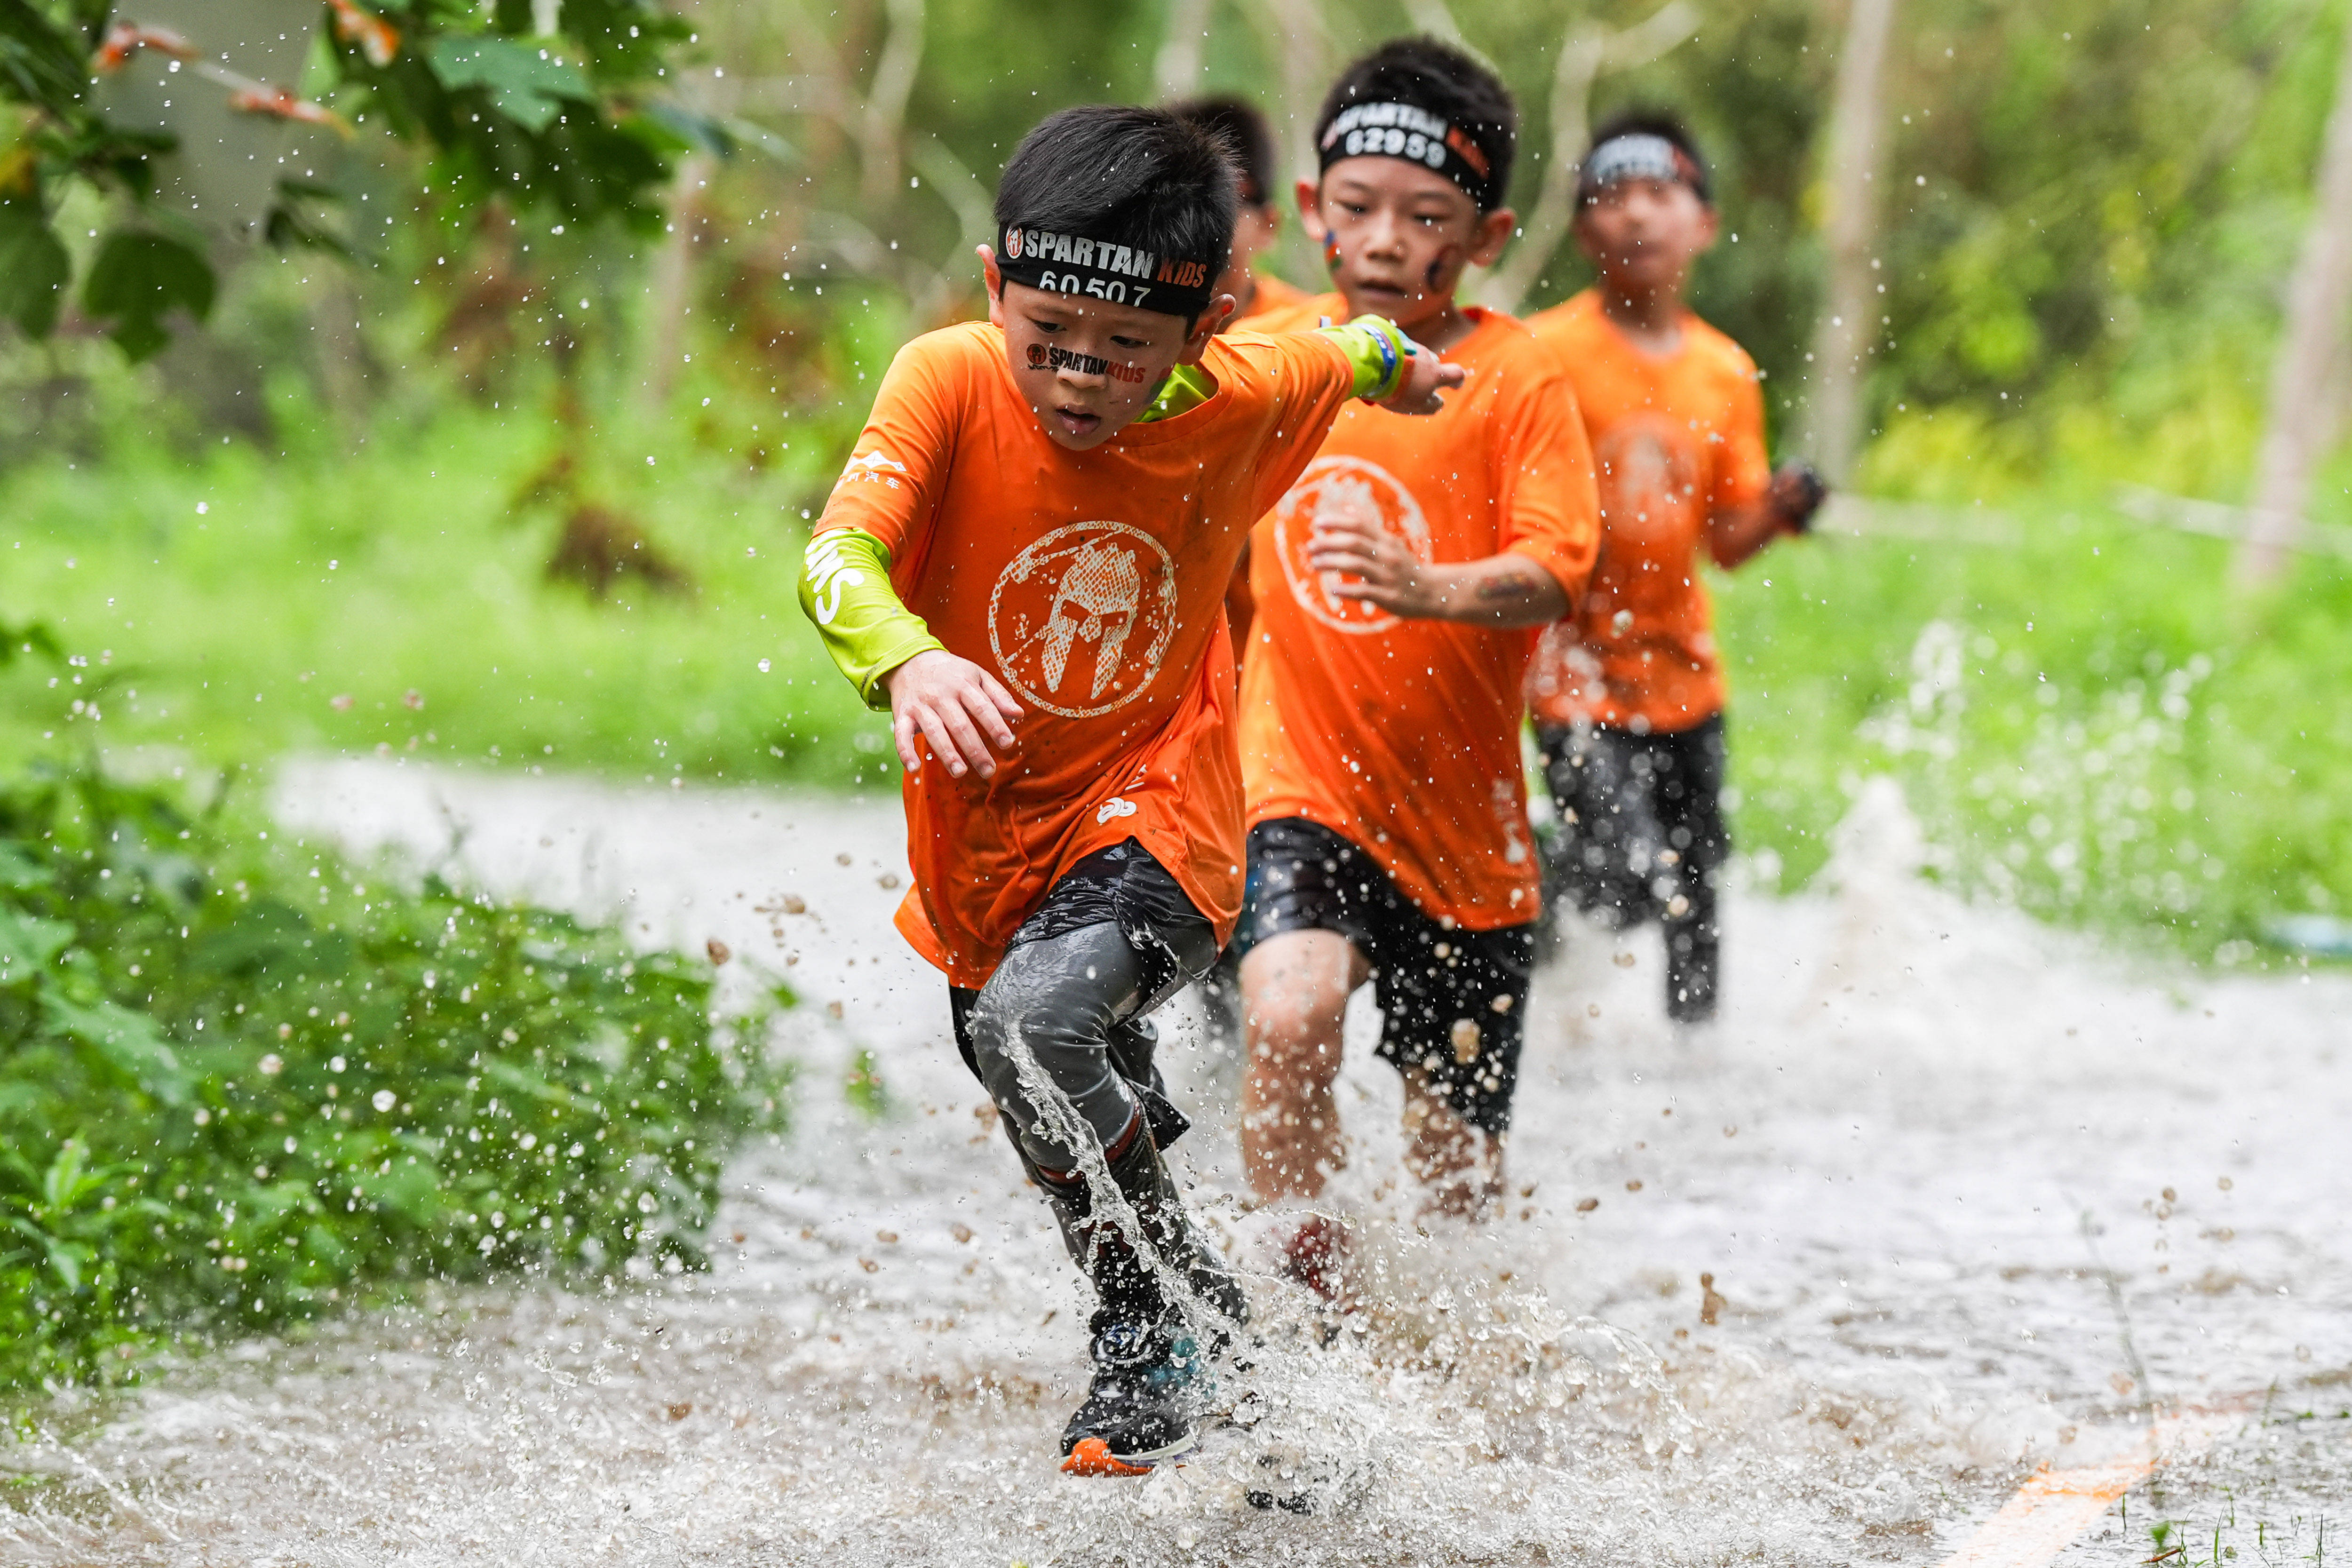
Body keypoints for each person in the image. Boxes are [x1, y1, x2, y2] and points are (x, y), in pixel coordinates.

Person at [795, 103, 1458, 1476]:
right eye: (1047, 340)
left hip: (1168, 814)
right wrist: (906, 664)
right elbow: (833, 560)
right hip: (991, 848)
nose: (1079, 381)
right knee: (1017, 1056)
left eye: (1121, 352)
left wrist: (1400, 367)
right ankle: (1220, 1327)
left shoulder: (1239, 392)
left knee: (1038, 1028)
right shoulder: (946, 379)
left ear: (1203, 328)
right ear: (993, 289)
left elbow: (1342, 349)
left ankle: (1149, 1322)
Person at [1234, 38, 1601, 1285]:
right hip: (1299, 788)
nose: (1387, 239)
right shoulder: (1272, 362)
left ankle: (1438, 1361)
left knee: (1457, 1196)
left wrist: (1427, 587)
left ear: (1487, 235)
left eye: (1426, 216)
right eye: (1357, 209)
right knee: (1287, 1015)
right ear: (1308, 213)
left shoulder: (1518, 378)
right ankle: (1302, 1313)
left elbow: (1559, 566)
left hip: (1468, 841)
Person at [1522, 111, 1826, 1025]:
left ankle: (1694, 1066)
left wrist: (1779, 507)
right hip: (1573, 672)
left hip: (1684, 672)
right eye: (1610, 199)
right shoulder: (1544, 352)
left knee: (1700, 888)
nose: (1636, 216)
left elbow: (1724, 540)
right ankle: (1523, 909)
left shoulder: (1725, 371)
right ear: (1583, 231)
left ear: (1704, 223)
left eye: (1660, 195)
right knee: (1625, 873)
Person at [1165, 93, 1310, 329]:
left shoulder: (1310, 333)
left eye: (1226, 200)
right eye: (1181, 199)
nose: (1200, 220)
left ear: (1268, 226)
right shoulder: (1121, 322)